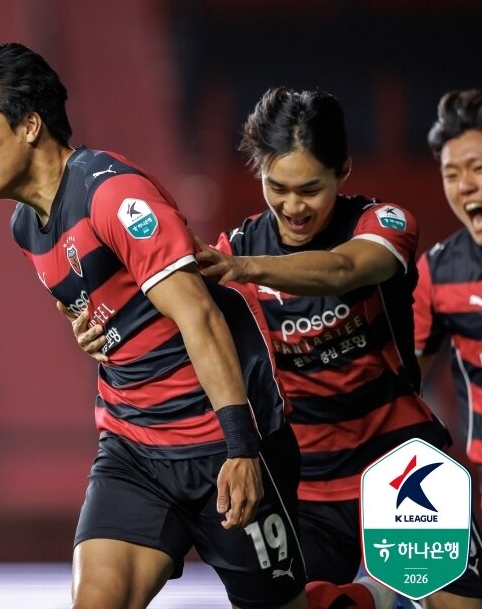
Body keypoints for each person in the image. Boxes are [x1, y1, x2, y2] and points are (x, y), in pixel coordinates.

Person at [0, 42, 307, 609]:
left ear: (30, 126)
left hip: (223, 446)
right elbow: (94, 306)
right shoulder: (26, 227)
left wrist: (241, 449)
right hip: (134, 450)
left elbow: (200, 315)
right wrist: (86, 329)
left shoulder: (113, 195)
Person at [192, 87, 481, 608]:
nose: (293, 207)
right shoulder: (236, 251)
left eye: (310, 189)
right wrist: (99, 329)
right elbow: (186, 329)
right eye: (276, 187)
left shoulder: (383, 225)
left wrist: (246, 270)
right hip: (305, 486)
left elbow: (344, 269)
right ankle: (374, 599)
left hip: (400, 464)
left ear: (343, 170)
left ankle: (382, 593)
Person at [414, 89, 482, 504]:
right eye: (452, 173)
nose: (466, 185)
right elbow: (403, 386)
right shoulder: (438, 273)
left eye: (477, 168)